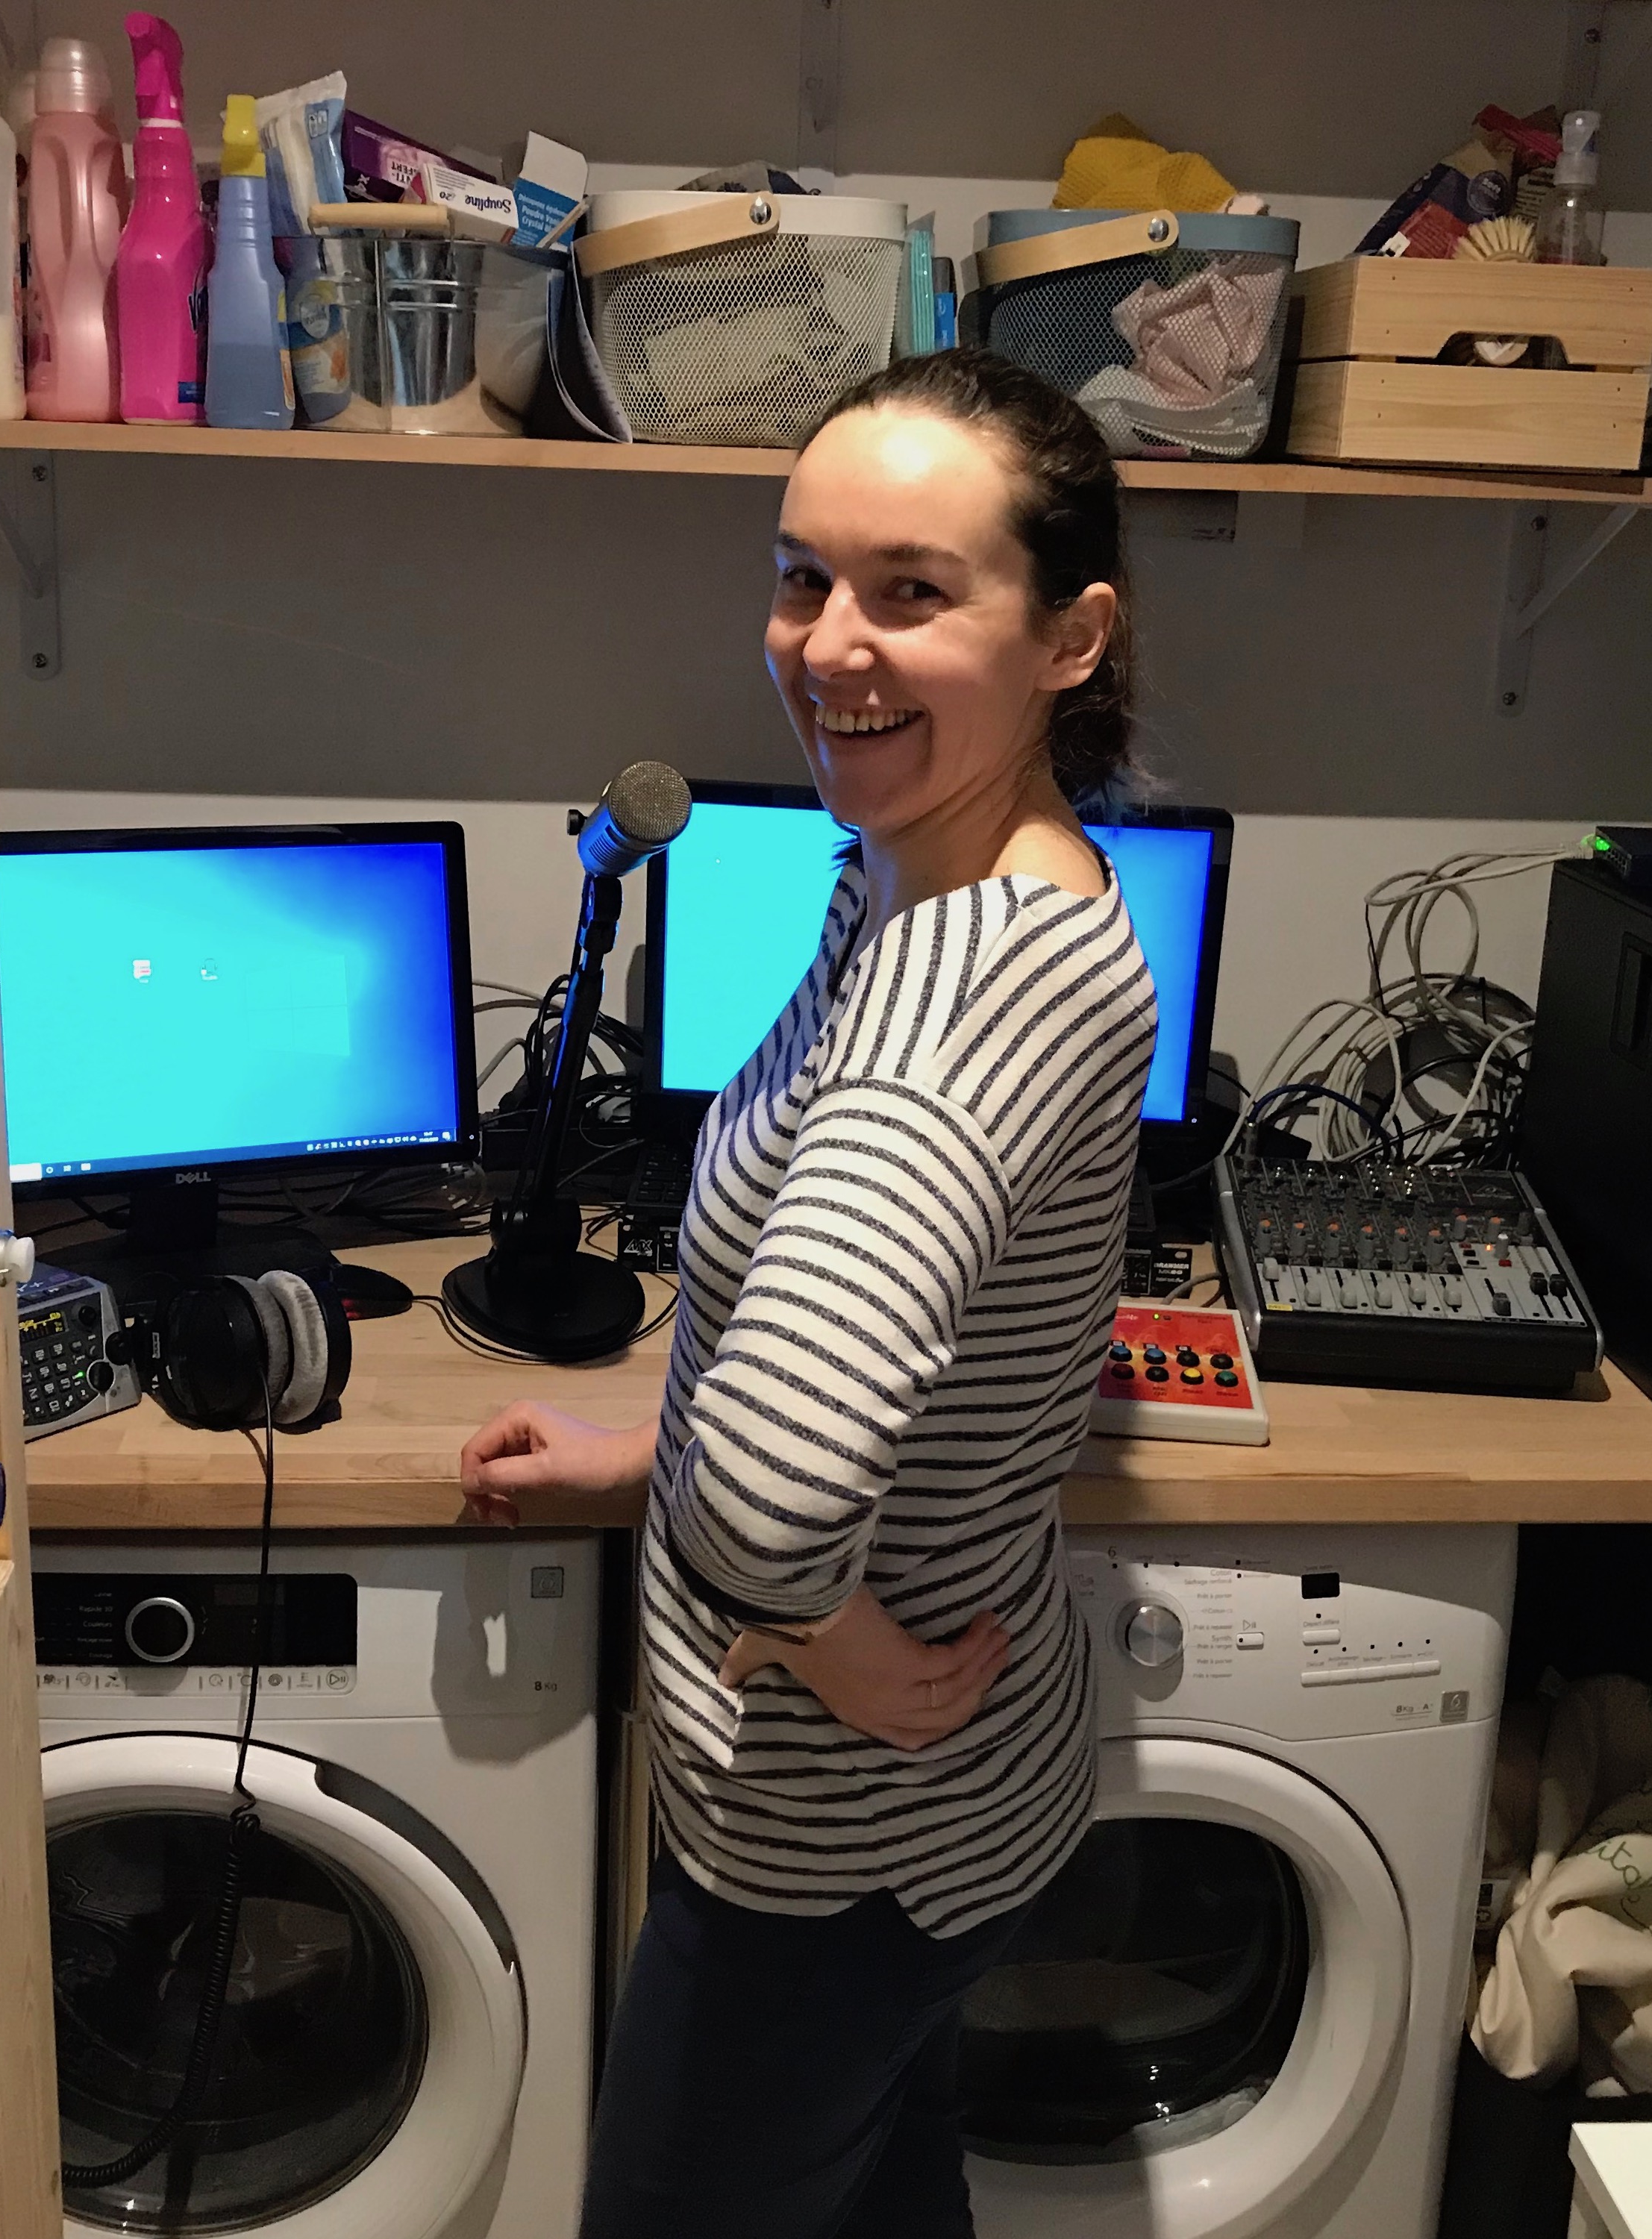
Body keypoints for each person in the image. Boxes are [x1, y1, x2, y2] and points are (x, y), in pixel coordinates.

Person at [460, 347, 1157, 2239]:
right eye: (801, 577)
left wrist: (812, 1618)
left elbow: (778, 1498)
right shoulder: (928, 876)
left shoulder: (958, 999)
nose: (827, 644)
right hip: (946, 1813)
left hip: (837, 1844)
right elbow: (845, 1337)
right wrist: (647, 1453)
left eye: (911, 591)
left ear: (1069, 637)